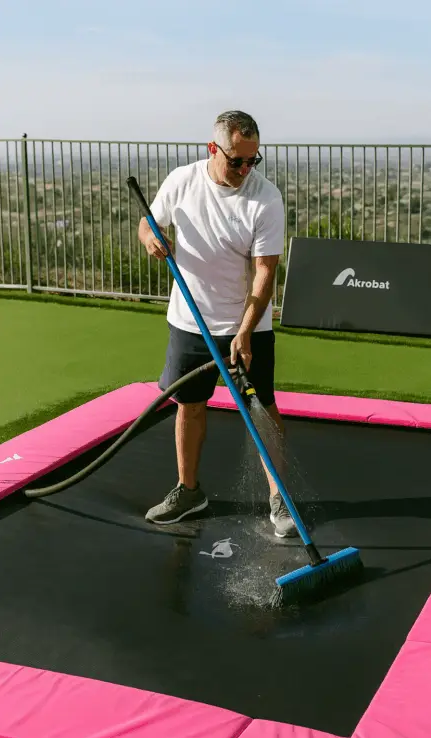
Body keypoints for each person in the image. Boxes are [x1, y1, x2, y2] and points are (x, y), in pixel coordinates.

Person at [138, 110, 297, 538]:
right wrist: (151, 237)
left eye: (253, 161)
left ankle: (279, 496)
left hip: (247, 323)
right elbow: (147, 223)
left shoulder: (265, 198)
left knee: (261, 407)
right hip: (189, 322)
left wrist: (245, 329)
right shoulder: (181, 181)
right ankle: (189, 491)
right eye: (237, 161)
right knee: (189, 405)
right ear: (214, 149)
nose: (246, 170)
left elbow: (265, 272)